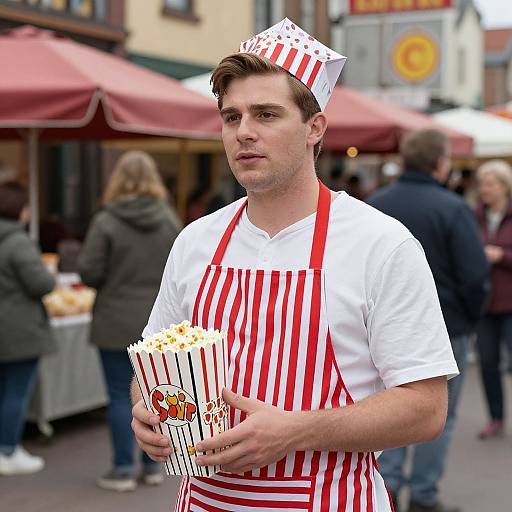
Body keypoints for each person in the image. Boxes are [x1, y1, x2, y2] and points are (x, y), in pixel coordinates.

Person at [130, 19, 458, 511]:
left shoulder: (381, 244)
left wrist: (297, 431)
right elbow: (151, 367)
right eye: (231, 116)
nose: (244, 132)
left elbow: (425, 408)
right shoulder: (196, 241)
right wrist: (146, 411)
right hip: (204, 501)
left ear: (314, 127)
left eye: (266, 114)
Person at [368, 130, 489, 512]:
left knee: (384, 411)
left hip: (378, 326)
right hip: (445, 325)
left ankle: (385, 488)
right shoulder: (452, 207)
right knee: (439, 416)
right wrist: (470, 319)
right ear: (440, 163)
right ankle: (422, 494)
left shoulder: (373, 204)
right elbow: (474, 275)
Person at [78, 151, 182, 492]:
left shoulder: (106, 221)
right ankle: (153, 466)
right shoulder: (168, 219)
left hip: (113, 318)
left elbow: (90, 271)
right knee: (154, 394)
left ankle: (123, 468)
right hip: (157, 320)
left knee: (119, 396)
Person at [0, 182, 56, 475]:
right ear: (20, 209)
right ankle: (8, 450)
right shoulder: (19, 242)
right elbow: (40, 285)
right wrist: (48, 274)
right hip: (18, 329)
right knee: (16, 392)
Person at [474, 159, 512, 439]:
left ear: (504, 186)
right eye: (481, 184)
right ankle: (496, 418)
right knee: (487, 364)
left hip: (511, 304)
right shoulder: (474, 216)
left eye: (489, 184)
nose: (483, 189)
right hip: (485, 305)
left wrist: (502, 256)